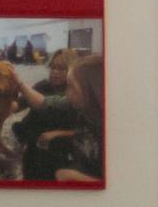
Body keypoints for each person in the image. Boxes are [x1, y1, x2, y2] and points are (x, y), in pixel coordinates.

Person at [14, 54, 104, 183]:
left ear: (90, 89)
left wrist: (73, 176)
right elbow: (43, 103)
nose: (55, 72)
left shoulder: (104, 125)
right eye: (53, 67)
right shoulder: (44, 87)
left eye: (71, 86)